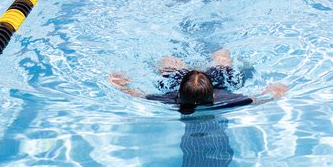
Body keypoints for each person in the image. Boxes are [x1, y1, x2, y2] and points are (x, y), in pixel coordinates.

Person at [110, 49, 287, 115]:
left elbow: (138, 95)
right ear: (213, 96)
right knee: (222, 56)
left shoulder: (168, 100)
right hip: (221, 81)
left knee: (167, 61)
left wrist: (120, 84)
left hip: (185, 81)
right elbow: (258, 99)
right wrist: (274, 91)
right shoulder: (227, 100)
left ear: (178, 93)